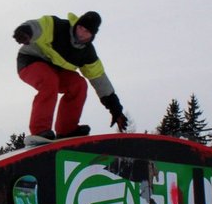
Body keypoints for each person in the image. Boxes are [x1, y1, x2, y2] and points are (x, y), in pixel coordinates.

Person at [13, 11, 128, 142]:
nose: (81, 34)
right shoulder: (59, 27)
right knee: (49, 80)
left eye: (87, 32)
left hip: (56, 70)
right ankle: (40, 131)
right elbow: (41, 26)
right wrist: (27, 30)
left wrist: (115, 108)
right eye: (80, 28)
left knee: (78, 84)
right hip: (30, 61)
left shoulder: (88, 54)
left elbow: (99, 79)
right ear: (76, 25)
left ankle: (66, 130)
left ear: (92, 35)